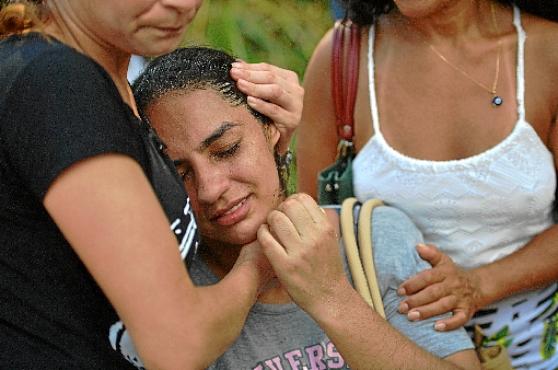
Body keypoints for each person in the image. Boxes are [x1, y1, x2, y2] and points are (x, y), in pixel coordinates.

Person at [123, 45, 480, 369]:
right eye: (180, 172)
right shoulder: (172, 294)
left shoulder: (373, 238)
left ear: (272, 129)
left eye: (227, 149)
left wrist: (331, 296)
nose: (210, 188)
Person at [0, 1, 299, 369]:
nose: (181, 4)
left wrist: (270, 148)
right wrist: (258, 262)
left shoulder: (99, 81)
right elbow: (178, 342)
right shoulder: (56, 82)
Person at [297, 0, 558, 368]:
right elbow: (310, 241)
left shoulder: (547, 51)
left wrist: (480, 284)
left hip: (541, 350)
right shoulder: (343, 58)